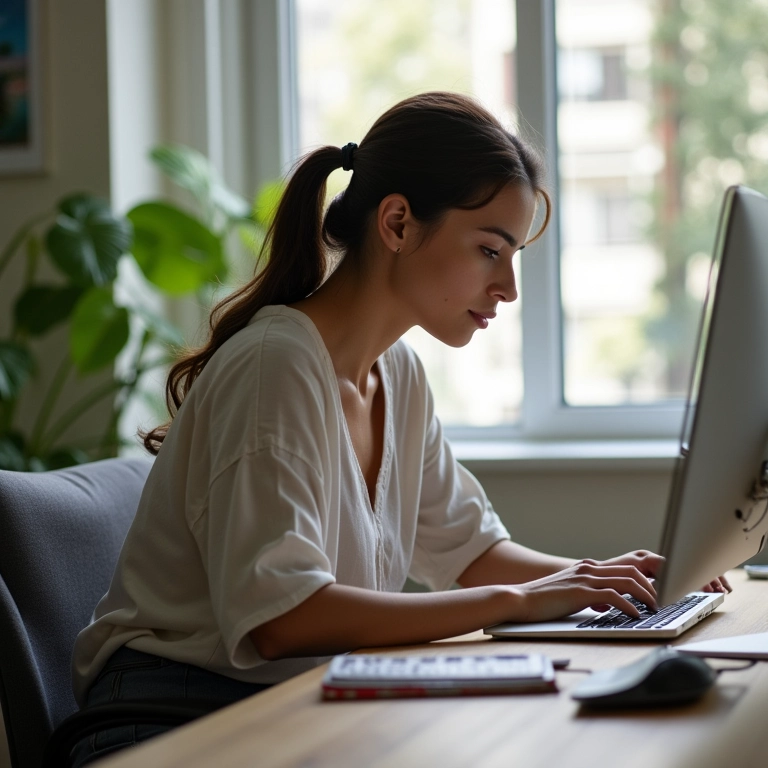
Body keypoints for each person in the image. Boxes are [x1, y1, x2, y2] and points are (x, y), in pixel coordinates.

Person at [70, 91, 729, 766]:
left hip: (289, 703)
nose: (508, 288)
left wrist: (608, 582)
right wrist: (516, 600)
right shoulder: (276, 366)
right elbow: (283, 619)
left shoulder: (397, 372)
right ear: (397, 223)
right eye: (489, 250)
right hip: (168, 720)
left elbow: (470, 550)